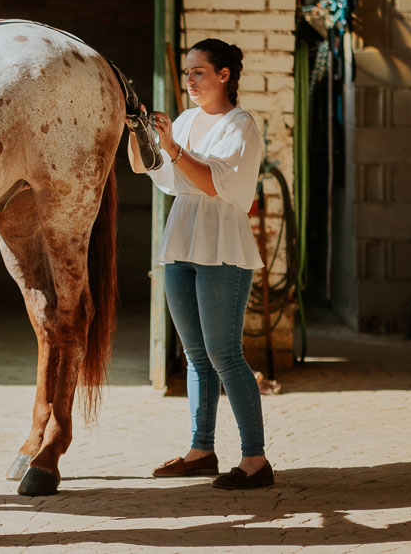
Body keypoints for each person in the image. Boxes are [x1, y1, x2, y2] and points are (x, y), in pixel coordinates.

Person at [129, 38, 273, 490]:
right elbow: (151, 172)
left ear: (224, 75)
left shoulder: (241, 125)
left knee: (226, 355)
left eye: (198, 72)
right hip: (182, 243)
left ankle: (255, 461)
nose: (189, 80)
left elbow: (212, 184)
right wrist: (137, 132)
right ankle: (201, 450)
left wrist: (172, 147)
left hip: (222, 247)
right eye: (187, 72)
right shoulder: (187, 121)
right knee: (196, 357)